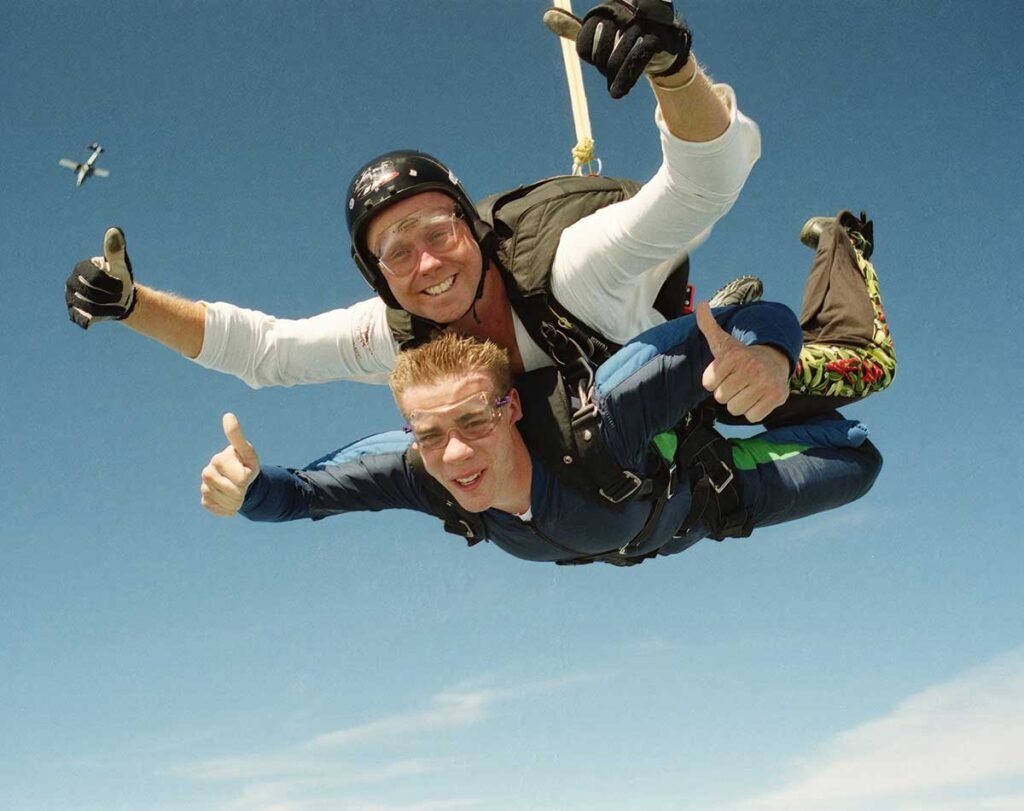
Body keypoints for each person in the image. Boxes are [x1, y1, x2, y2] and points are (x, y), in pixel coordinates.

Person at [200, 301, 882, 566]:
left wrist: (769, 357)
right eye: (429, 432)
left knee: (861, 448)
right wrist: (245, 490)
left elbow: (752, 319)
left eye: (474, 420)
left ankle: (839, 251)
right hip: (695, 519)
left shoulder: (603, 416)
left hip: (711, 480)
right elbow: (297, 494)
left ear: (513, 410)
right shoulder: (422, 472)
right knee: (863, 468)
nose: (455, 452)